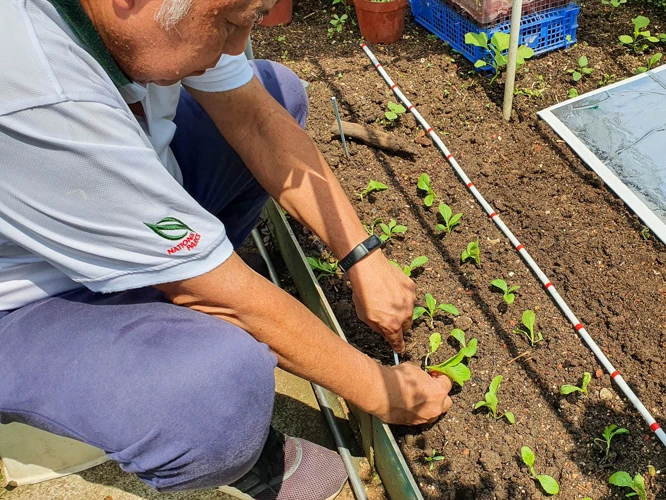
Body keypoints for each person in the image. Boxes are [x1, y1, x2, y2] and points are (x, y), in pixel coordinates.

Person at [0, 0, 454, 497]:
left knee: (279, 91)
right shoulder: (34, 85)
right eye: (230, 19)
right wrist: (383, 390)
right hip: (30, 295)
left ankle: (191, 285)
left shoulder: (151, 20)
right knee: (214, 392)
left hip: (120, 192)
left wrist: (362, 256)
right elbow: (216, 294)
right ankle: (219, 433)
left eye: (251, 16)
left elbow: (257, 120)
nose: (238, 42)